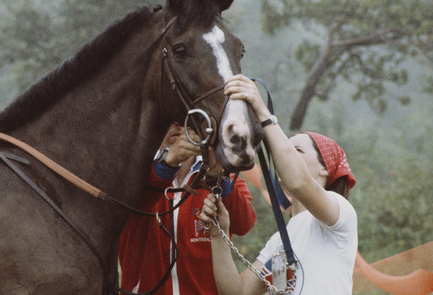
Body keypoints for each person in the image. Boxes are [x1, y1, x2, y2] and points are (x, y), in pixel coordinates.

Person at [199, 74, 358, 295]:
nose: (284, 158)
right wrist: (219, 234)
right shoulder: (280, 240)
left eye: (298, 151)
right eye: (285, 151)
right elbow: (238, 292)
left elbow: (300, 183)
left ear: (325, 169)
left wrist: (263, 113)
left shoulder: (340, 213)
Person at [118, 123, 256, 294]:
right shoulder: (131, 172)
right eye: (170, 119)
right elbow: (123, 211)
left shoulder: (220, 175)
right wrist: (167, 164)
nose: (177, 125)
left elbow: (243, 224)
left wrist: (217, 176)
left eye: (185, 119)